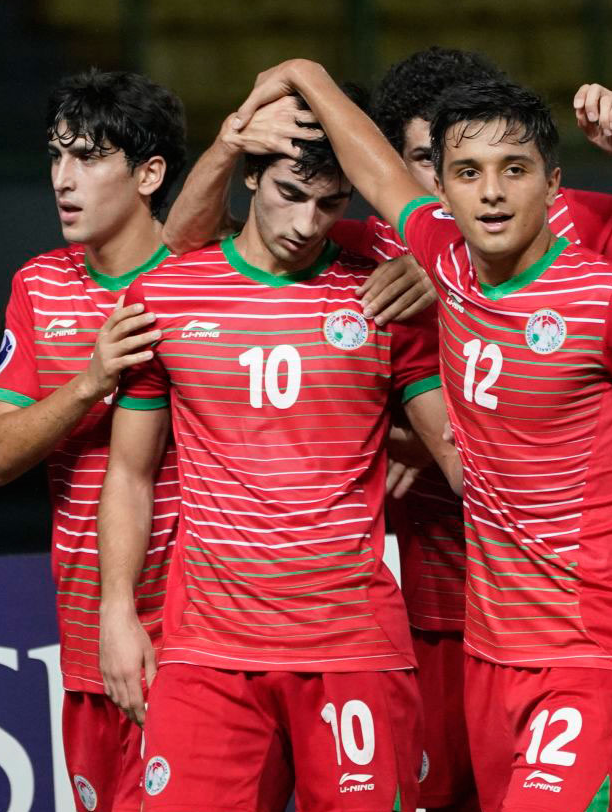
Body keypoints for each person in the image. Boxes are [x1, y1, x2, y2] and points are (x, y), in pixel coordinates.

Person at [230, 60, 612, 812]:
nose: (491, 192)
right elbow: (375, 169)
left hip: (595, 651)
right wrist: (308, 76)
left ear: (552, 184)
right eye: (468, 173)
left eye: (514, 169)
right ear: (441, 190)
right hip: (491, 654)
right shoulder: (443, 259)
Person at [96, 99, 460, 812]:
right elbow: (130, 473)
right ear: (251, 176)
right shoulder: (167, 293)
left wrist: (456, 288)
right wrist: (118, 612)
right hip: (208, 654)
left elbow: (457, 451)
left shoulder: (383, 297)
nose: (305, 224)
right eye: (290, 194)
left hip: (353, 649)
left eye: (330, 205)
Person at [0, 68, 187, 812]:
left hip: (201, 630)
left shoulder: (201, 280)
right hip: (88, 634)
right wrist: (90, 381)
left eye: (90, 158)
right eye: (56, 155)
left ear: (148, 175)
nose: (63, 180)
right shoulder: (38, 286)